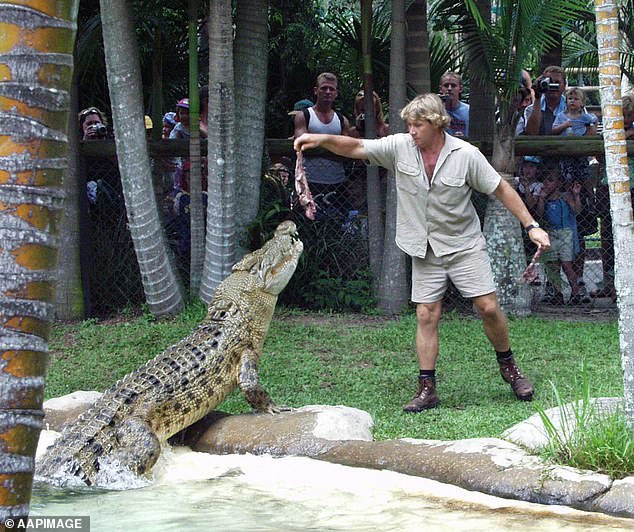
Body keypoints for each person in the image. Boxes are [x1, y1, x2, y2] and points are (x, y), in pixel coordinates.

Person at [294, 93, 550, 412]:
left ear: (435, 124)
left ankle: (510, 369)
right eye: (409, 125)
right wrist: (320, 139)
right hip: (424, 247)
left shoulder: (465, 154)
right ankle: (427, 389)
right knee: (426, 314)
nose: (411, 131)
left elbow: (500, 187)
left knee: (487, 307)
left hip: (464, 244)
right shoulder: (401, 146)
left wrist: (531, 225)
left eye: (417, 125)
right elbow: (358, 148)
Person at [551, 87, 598, 296]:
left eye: (575, 98)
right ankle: (554, 285)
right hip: (565, 166)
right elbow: (554, 131)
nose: (571, 101)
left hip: (581, 165)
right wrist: (566, 126)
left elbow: (593, 127)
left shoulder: (586, 117)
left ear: (582, 101)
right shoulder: (561, 116)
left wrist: (591, 127)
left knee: (581, 228)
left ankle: (579, 279)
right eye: (569, 97)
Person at [293, 72, 352, 198]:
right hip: (309, 180)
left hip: (337, 181)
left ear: (336, 93)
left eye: (332, 89)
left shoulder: (342, 120)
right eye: (324, 88)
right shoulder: (304, 116)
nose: (328, 92)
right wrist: (334, 145)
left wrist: (318, 142)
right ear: (316, 90)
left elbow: (346, 149)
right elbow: (302, 144)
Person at [534, 170, 584, 305]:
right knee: (553, 266)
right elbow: (539, 214)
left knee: (567, 266)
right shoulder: (544, 197)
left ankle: (575, 293)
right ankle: (558, 293)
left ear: (559, 183)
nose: (546, 183)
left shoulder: (565, 197)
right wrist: (542, 199)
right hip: (550, 233)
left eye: (550, 180)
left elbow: (577, 211)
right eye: (544, 180)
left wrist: (576, 196)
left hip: (565, 233)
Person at [524, 66, 567, 136]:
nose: (553, 86)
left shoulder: (572, 107)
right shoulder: (531, 109)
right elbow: (531, 133)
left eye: (557, 82)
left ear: (564, 85)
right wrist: (537, 96)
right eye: (550, 82)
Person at [438, 71, 469, 137]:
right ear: (440, 89)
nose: (449, 89)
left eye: (453, 86)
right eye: (446, 85)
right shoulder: (435, 111)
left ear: (460, 89)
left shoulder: (469, 110)